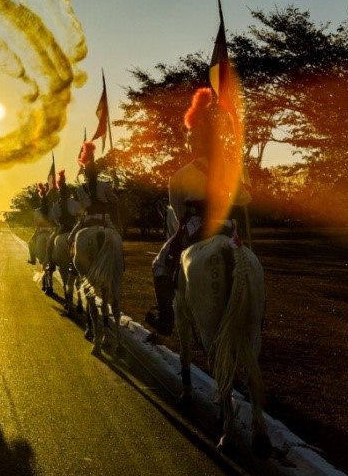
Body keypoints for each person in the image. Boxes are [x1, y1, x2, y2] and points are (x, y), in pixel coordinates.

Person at [146, 88, 251, 335]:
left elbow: (179, 211)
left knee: (159, 265)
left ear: (195, 141)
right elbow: (245, 199)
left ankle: (166, 318)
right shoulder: (229, 167)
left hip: (195, 228)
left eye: (192, 139)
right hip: (226, 227)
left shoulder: (180, 175)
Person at [74, 140, 120, 232]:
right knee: (116, 236)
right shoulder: (103, 185)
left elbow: (81, 208)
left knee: (72, 239)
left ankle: (69, 242)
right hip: (104, 218)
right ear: (96, 172)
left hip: (87, 219)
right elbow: (115, 199)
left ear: (85, 174)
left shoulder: (80, 189)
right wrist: (115, 182)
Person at [28, 182, 56, 264]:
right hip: (50, 231)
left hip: (40, 231)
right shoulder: (51, 210)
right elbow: (55, 221)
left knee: (30, 243)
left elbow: (35, 223)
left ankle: (33, 260)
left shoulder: (37, 211)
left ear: (41, 201)